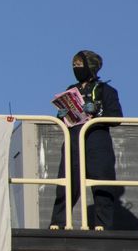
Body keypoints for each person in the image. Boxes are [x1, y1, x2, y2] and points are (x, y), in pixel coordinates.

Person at [49, 50, 123, 230]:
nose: (76, 68)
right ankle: (59, 223)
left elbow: (116, 117)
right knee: (66, 182)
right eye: (74, 65)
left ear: (91, 67)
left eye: (80, 65)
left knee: (101, 181)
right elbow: (62, 121)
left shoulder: (106, 90)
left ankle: (103, 224)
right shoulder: (70, 90)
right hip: (73, 140)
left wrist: (96, 112)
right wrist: (62, 115)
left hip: (97, 141)